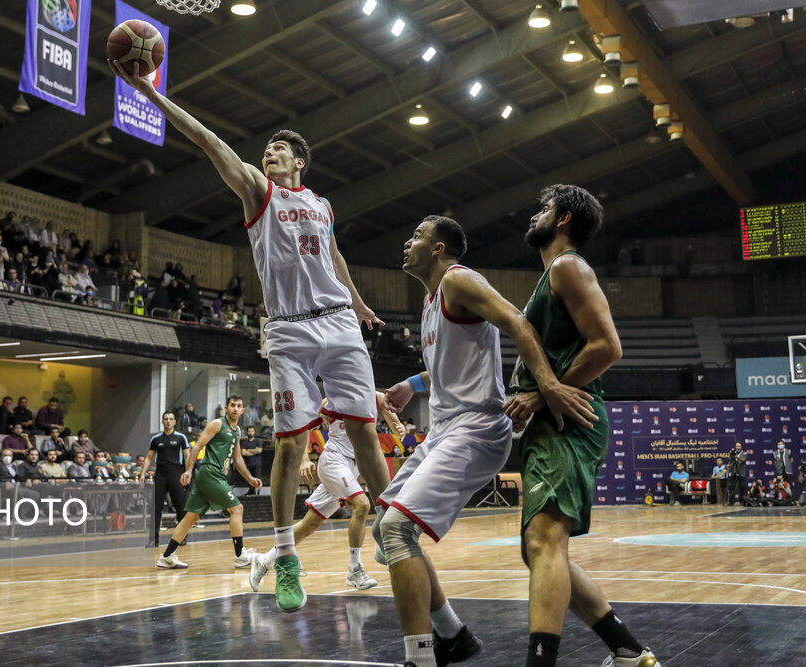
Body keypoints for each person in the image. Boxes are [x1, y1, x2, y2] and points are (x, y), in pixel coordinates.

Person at [110, 59, 392, 612]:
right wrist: (151, 93)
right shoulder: (257, 191)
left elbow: (333, 256)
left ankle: (393, 524)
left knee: (365, 432)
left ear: (300, 162)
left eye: (279, 150)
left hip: (337, 320)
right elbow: (206, 138)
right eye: (265, 150)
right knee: (289, 444)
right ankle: (285, 555)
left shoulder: (321, 204)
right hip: (288, 329)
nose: (269, 154)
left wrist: (358, 302)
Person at [376, 215, 597, 667]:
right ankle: (453, 636)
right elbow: (451, 367)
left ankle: (420, 657)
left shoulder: (459, 280)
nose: (407, 240)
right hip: (445, 430)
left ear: (439, 249)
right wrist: (412, 386)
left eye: (417, 235)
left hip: (476, 429)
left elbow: (517, 322)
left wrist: (547, 386)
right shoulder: (432, 300)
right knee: (385, 529)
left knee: (399, 529)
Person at [502, 185, 659, 667]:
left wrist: (544, 390)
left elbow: (608, 346)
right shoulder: (552, 274)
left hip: (569, 416)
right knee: (540, 552)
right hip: (555, 417)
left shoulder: (568, 267)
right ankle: (627, 650)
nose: (535, 215)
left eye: (543, 208)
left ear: (564, 219)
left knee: (545, 543)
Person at [250, 393, 405, 593]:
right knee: (362, 505)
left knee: (309, 524)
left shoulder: (374, 396)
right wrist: (305, 459)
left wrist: (397, 427)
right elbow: (304, 426)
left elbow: (392, 418)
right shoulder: (329, 401)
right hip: (334, 461)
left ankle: (263, 560)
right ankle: (354, 569)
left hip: (353, 466)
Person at [157, 395, 262, 570]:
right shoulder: (217, 424)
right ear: (226, 408)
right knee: (237, 509)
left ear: (242, 410)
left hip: (216, 476)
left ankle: (167, 556)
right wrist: (189, 470)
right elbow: (197, 447)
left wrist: (250, 478)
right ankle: (240, 556)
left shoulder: (237, 431)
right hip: (210, 473)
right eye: (232, 405)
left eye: (239, 406)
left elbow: (237, 457)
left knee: (191, 517)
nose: (236, 409)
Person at [139, 411, 191, 548]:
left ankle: (182, 537)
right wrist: (143, 473)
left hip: (177, 474)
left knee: (180, 507)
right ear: (162, 421)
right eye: (166, 419)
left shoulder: (181, 438)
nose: (168, 421)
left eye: (171, 419)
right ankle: (153, 540)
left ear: (174, 422)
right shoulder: (156, 439)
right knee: (155, 508)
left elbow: (187, 456)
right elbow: (149, 457)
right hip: (160, 474)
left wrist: (188, 472)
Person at [240, 426, 264, 497]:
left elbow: (259, 450)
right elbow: (243, 453)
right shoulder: (244, 442)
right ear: (247, 432)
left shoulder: (258, 441)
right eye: (249, 431)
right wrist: (254, 450)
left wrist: (248, 450)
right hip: (247, 464)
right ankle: (251, 492)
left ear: (254, 432)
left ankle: (258, 494)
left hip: (257, 463)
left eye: (252, 431)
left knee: (258, 479)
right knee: (250, 480)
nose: (250, 433)